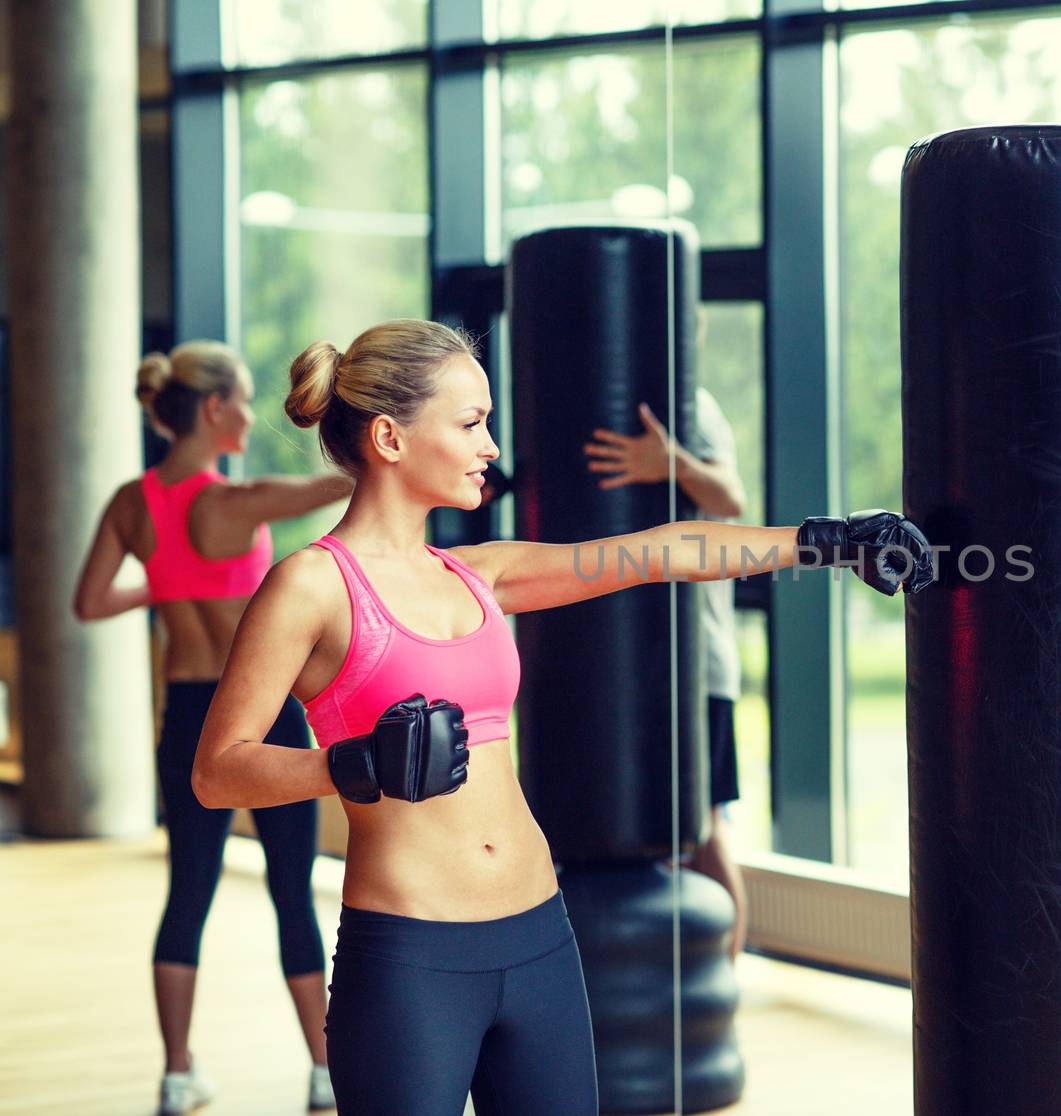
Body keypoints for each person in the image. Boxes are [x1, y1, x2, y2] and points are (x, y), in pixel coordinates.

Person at [190, 318, 933, 1115]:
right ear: (389, 438)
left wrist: (831, 540)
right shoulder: (310, 587)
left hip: (539, 935)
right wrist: (351, 765)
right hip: (411, 955)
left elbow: (662, 551)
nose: (492, 448)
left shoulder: (478, 574)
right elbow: (216, 769)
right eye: (471, 423)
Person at [73, 341, 353, 1114]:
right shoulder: (236, 499)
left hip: (186, 714)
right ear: (213, 408)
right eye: (245, 398)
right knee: (292, 893)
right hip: (257, 715)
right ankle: (327, 1071)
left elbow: (90, 602)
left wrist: (162, 585)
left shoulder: (131, 503)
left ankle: (176, 1073)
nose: (251, 413)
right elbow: (338, 482)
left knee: (187, 893)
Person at [584, 388, 750, 959]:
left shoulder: (693, 404)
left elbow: (732, 499)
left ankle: (725, 985)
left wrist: (671, 463)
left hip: (697, 666)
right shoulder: (574, 388)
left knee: (704, 832)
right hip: (612, 664)